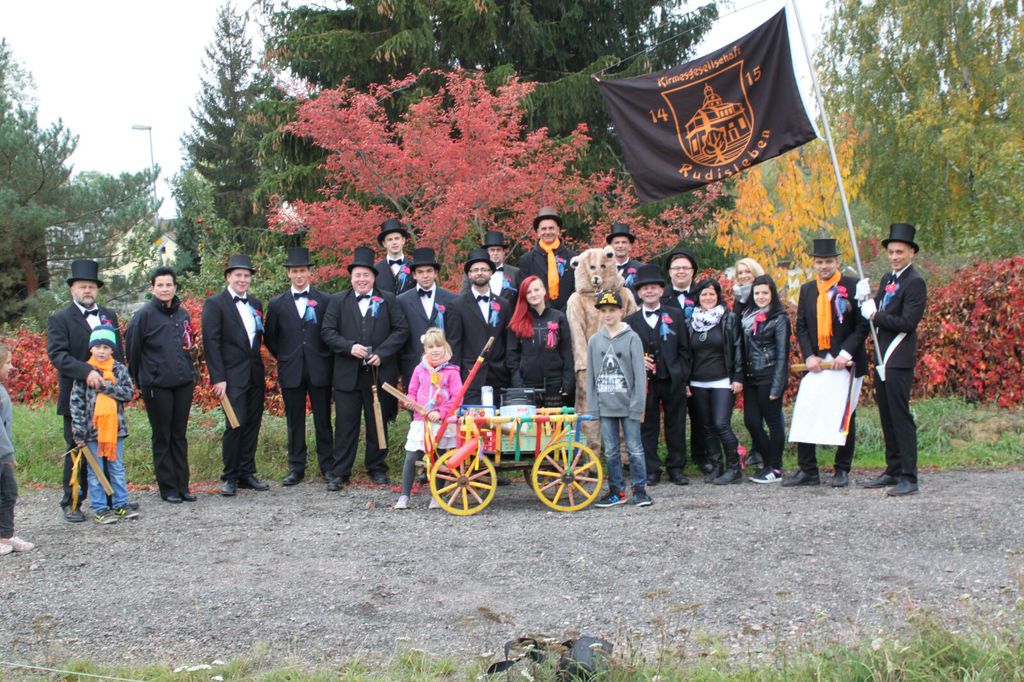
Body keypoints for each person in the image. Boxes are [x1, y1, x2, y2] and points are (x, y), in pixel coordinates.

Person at [321, 247, 409, 488]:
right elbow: (327, 331)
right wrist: (348, 347)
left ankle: (377, 467)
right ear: (351, 277)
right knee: (345, 425)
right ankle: (340, 471)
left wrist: (382, 353)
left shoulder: (388, 299)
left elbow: (401, 330)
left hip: (378, 373)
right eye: (357, 275)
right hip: (347, 375)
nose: (362, 279)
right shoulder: (337, 300)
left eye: (366, 275)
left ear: (373, 277)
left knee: (377, 422)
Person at [46, 259, 127, 522]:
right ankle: (72, 502)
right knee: (77, 449)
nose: (87, 291)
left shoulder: (109, 315)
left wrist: (120, 384)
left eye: (91, 286)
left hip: (108, 398)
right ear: (73, 289)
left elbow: (118, 354)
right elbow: (58, 355)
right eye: (82, 286)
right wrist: (86, 371)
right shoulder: (60, 319)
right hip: (77, 397)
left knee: (109, 449)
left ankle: (112, 499)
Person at [785, 238, 869, 488]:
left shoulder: (853, 285)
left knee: (844, 416)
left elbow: (862, 325)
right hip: (817, 361)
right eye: (820, 262)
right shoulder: (808, 289)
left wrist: (845, 353)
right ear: (814, 263)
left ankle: (842, 469)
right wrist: (809, 355)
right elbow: (801, 325)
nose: (824, 266)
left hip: (845, 361)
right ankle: (808, 470)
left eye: (828, 262)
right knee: (806, 410)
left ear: (836, 262)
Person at [859, 223, 927, 496]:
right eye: (891, 252)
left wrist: (875, 315)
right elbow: (877, 308)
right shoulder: (888, 278)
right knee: (886, 415)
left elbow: (907, 323)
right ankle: (893, 468)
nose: (895, 256)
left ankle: (909, 476)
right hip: (881, 356)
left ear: (911, 252)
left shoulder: (915, 282)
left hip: (898, 358)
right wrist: (864, 300)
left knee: (900, 416)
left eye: (900, 252)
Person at [125, 267, 197, 503]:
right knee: (162, 435)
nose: (165, 289)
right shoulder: (143, 316)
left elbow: (189, 344)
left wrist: (191, 371)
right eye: (160, 285)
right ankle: (168, 488)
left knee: (179, 435)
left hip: (183, 382)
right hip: (157, 385)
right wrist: (139, 380)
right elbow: (133, 351)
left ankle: (183, 485)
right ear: (152, 288)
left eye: (169, 285)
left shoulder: (182, 314)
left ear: (175, 287)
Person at [264, 247, 333, 487]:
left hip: (319, 368)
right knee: (294, 421)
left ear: (309, 272)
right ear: (288, 274)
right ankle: (296, 467)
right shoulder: (277, 304)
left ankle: (328, 466)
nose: (299, 275)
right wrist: (286, 356)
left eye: (302, 270)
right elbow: (270, 338)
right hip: (291, 368)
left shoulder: (325, 300)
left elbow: (329, 333)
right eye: (294, 271)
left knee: (323, 420)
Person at [202, 254, 269, 497]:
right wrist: (218, 377)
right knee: (234, 423)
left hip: (254, 373)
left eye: (246, 275)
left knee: (252, 423)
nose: (242, 279)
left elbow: (258, 338)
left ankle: (246, 473)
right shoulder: (215, 304)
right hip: (230, 376)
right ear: (228, 277)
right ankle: (229, 476)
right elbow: (211, 342)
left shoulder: (256, 303)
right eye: (238, 275)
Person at [624, 265, 691, 486]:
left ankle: (677, 468)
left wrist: (682, 375)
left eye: (653, 287)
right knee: (648, 426)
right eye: (645, 288)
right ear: (639, 293)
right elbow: (626, 353)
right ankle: (651, 469)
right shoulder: (630, 321)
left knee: (676, 424)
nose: (649, 291)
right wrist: (638, 361)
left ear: (661, 290)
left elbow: (684, 349)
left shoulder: (675, 315)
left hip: (672, 379)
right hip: (645, 382)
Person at [587, 290, 652, 508]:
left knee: (634, 448)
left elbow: (640, 375)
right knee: (611, 450)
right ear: (599, 313)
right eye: (604, 310)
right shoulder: (594, 341)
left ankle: (640, 490)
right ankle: (617, 490)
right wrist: (593, 407)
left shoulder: (632, 338)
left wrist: (637, 405)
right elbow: (591, 376)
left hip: (628, 404)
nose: (608, 314)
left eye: (612, 310)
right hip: (605, 406)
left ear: (621, 311)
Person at [70, 325, 138, 524]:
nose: (101, 351)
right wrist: (78, 431)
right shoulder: (85, 371)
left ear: (112, 349)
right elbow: (76, 403)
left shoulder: (119, 369)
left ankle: (121, 504)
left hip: (116, 430)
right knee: (95, 470)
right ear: (91, 348)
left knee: (117, 468)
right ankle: (100, 508)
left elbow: (128, 393)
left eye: (106, 347)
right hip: (92, 431)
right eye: (97, 347)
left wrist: (104, 387)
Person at [394, 328, 463, 510]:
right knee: (411, 457)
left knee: (439, 458)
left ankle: (436, 496)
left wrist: (441, 412)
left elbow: (457, 398)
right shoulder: (419, 369)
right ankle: (404, 495)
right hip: (421, 421)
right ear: (425, 349)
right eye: (431, 347)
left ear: (445, 346)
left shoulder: (452, 371)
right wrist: (410, 402)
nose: (435, 350)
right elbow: (412, 392)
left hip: (441, 423)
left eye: (438, 346)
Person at [687, 279, 744, 484]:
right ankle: (717, 466)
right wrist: (685, 381)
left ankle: (735, 468)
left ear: (718, 296)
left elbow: (738, 347)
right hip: (697, 381)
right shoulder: (690, 321)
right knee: (707, 427)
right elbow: (686, 353)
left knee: (721, 424)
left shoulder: (729, 318)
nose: (708, 297)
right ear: (698, 297)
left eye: (712, 294)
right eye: (704, 294)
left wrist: (738, 377)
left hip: (722, 380)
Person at [738, 275, 790, 484]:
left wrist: (777, 385)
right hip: (751, 376)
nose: (760, 297)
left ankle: (775, 468)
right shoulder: (747, 316)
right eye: (757, 293)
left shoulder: (779, 318)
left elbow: (782, 354)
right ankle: (768, 462)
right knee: (751, 421)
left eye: (765, 293)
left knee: (773, 422)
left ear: (772, 294)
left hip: (769, 375)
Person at [661, 248, 710, 474]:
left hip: (701, 362)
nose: (680, 271)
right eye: (676, 268)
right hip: (672, 363)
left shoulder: (704, 295)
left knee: (700, 414)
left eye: (685, 268)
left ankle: (702, 455)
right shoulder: (661, 296)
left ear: (693, 271)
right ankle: (676, 460)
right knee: (675, 417)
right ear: (669, 272)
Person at [397, 247, 462, 390]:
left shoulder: (452, 299)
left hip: (445, 368)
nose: (425, 275)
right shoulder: (401, 301)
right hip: (413, 367)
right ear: (414, 275)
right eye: (420, 272)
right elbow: (400, 335)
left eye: (429, 271)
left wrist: (453, 365)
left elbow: (455, 337)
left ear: (436, 273)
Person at [453, 249, 512, 404]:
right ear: (469, 274)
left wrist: (508, 370)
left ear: (491, 273)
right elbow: (455, 345)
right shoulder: (457, 306)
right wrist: (455, 377)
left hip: (499, 377)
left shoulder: (504, 305)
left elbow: (508, 342)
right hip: (470, 378)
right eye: (475, 270)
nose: (479, 273)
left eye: (484, 269)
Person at [506, 275, 574, 406]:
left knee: (555, 420)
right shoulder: (517, 321)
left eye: (536, 290)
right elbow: (512, 357)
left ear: (544, 291)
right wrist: (518, 384)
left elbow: (567, 352)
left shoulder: (558, 317)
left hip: (555, 384)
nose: (533, 294)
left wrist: (567, 382)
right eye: (529, 292)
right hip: (527, 385)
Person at [0, 343, 34, 555]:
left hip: (3, 454)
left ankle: (5, 535)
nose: (11, 367)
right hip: (2, 453)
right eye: (7, 363)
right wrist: (7, 453)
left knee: (9, 492)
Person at [517, 207, 577, 311]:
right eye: (544, 229)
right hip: (538, 314)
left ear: (558, 230)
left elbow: (577, 289)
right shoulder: (527, 260)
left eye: (551, 228)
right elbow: (525, 291)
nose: (548, 232)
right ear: (538, 232)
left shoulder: (573, 258)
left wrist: (564, 312)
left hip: (568, 313)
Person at [460, 231, 520, 301]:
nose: (495, 253)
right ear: (487, 252)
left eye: (498, 250)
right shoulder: (473, 273)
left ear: (503, 252)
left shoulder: (515, 273)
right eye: (492, 250)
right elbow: (463, 298)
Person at [373, 218, 416, 296]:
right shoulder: (375, 269)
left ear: (403, 240)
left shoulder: (414, 267)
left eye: (397, 238)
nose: (394, 242)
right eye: (390, 239)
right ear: (384, 243)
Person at [607, 223, 645, 299]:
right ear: (611, 246)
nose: (620, 246)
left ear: (630, 246)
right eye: (617, 242)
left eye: (624, 242)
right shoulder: (604, 268)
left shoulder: (641, 269)